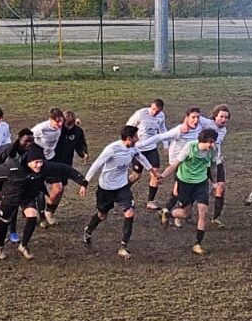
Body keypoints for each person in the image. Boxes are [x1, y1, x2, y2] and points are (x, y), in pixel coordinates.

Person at [0, 144, 88, 261]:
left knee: (32, 215)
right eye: (36, 162)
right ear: (28, 161)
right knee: (3, 223)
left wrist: (82, 181)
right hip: (10, 197)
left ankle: (23, 246)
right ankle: (1, 246)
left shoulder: (44, 167)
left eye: (40, 162)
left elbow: (64, 169)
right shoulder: (13, 167)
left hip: (27, 197)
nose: (39, 165)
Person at [82, 125, 160, 259]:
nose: (138, 139)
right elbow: (96, 164)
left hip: (122, 187)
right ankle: (88, 230)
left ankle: (123, 247)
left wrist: (152, 171)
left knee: (129, 213)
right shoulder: (112, 149)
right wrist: (85, 183)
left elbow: (141, 157)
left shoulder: (133, 148)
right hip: (106, 188)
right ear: (129, 138)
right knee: (102, 215)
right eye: (136, 137)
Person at [158, 128, 218, 255]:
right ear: (202, 141)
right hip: (185, 183)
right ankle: (167, 213)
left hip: (201, 183)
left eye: (214, 142)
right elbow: (175, 165)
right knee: (185, 214)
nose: (213, 145)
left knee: (203, 211)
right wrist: (163, 176)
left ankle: (197, 244)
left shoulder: (213, 151)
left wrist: (214, 183)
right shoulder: (190, 148)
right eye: (210, 142)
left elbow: (212, 167)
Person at [138, 106, 203, 214]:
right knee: (181, 189)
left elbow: (211, 123)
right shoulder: (179, 130)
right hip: (177, 163)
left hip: (191, 162)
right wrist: (140, 145)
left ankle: (170, 210)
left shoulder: (200, 125)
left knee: (180, 189)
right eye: (193, 117)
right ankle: (178, 213)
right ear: (187, 117)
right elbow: (159, 137)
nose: (196, 120)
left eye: (198, 117)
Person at [0, 128, 34, 243]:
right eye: (26, 141)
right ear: (19, 139)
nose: (29, 144)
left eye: (31, 141)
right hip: (0, 179)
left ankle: (12, 231)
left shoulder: (32, 151)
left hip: (16, 182)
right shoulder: (7, 150)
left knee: (13, 203)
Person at [125, 99, 167, 210]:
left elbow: (163, 129)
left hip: (152, 149)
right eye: (153, 109)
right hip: (138, 149)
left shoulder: (161, 116)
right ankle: (122, 191)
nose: (154, 113)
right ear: (151, 106)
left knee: (155, 174)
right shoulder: (140, 114)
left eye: (157, 111)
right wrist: (129, 142)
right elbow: (128, 127)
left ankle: (150, 201)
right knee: (136, 176)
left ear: (161, 110)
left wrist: (166, 145)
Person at [31, 107, 65, 225]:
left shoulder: (60, 127)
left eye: (61, 121)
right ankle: (41, 218)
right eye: (57, 121)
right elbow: (27, 137)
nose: (60, 124)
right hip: (39, 161)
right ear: (50, 119)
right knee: (40, 189)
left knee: (59, 188)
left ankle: (49, 211)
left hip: (51, 159)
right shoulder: (41, 129)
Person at [199, 104, 231, 228]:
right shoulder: (207, 123)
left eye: (226, 117)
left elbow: (217, 146)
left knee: (221, 187)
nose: (223, 119)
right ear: (215, 116)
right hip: (203, 162)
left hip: (216, 161)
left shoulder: (224, 130)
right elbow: (192, 117)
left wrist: (219, 155)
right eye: (221, 116)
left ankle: (215, 218)